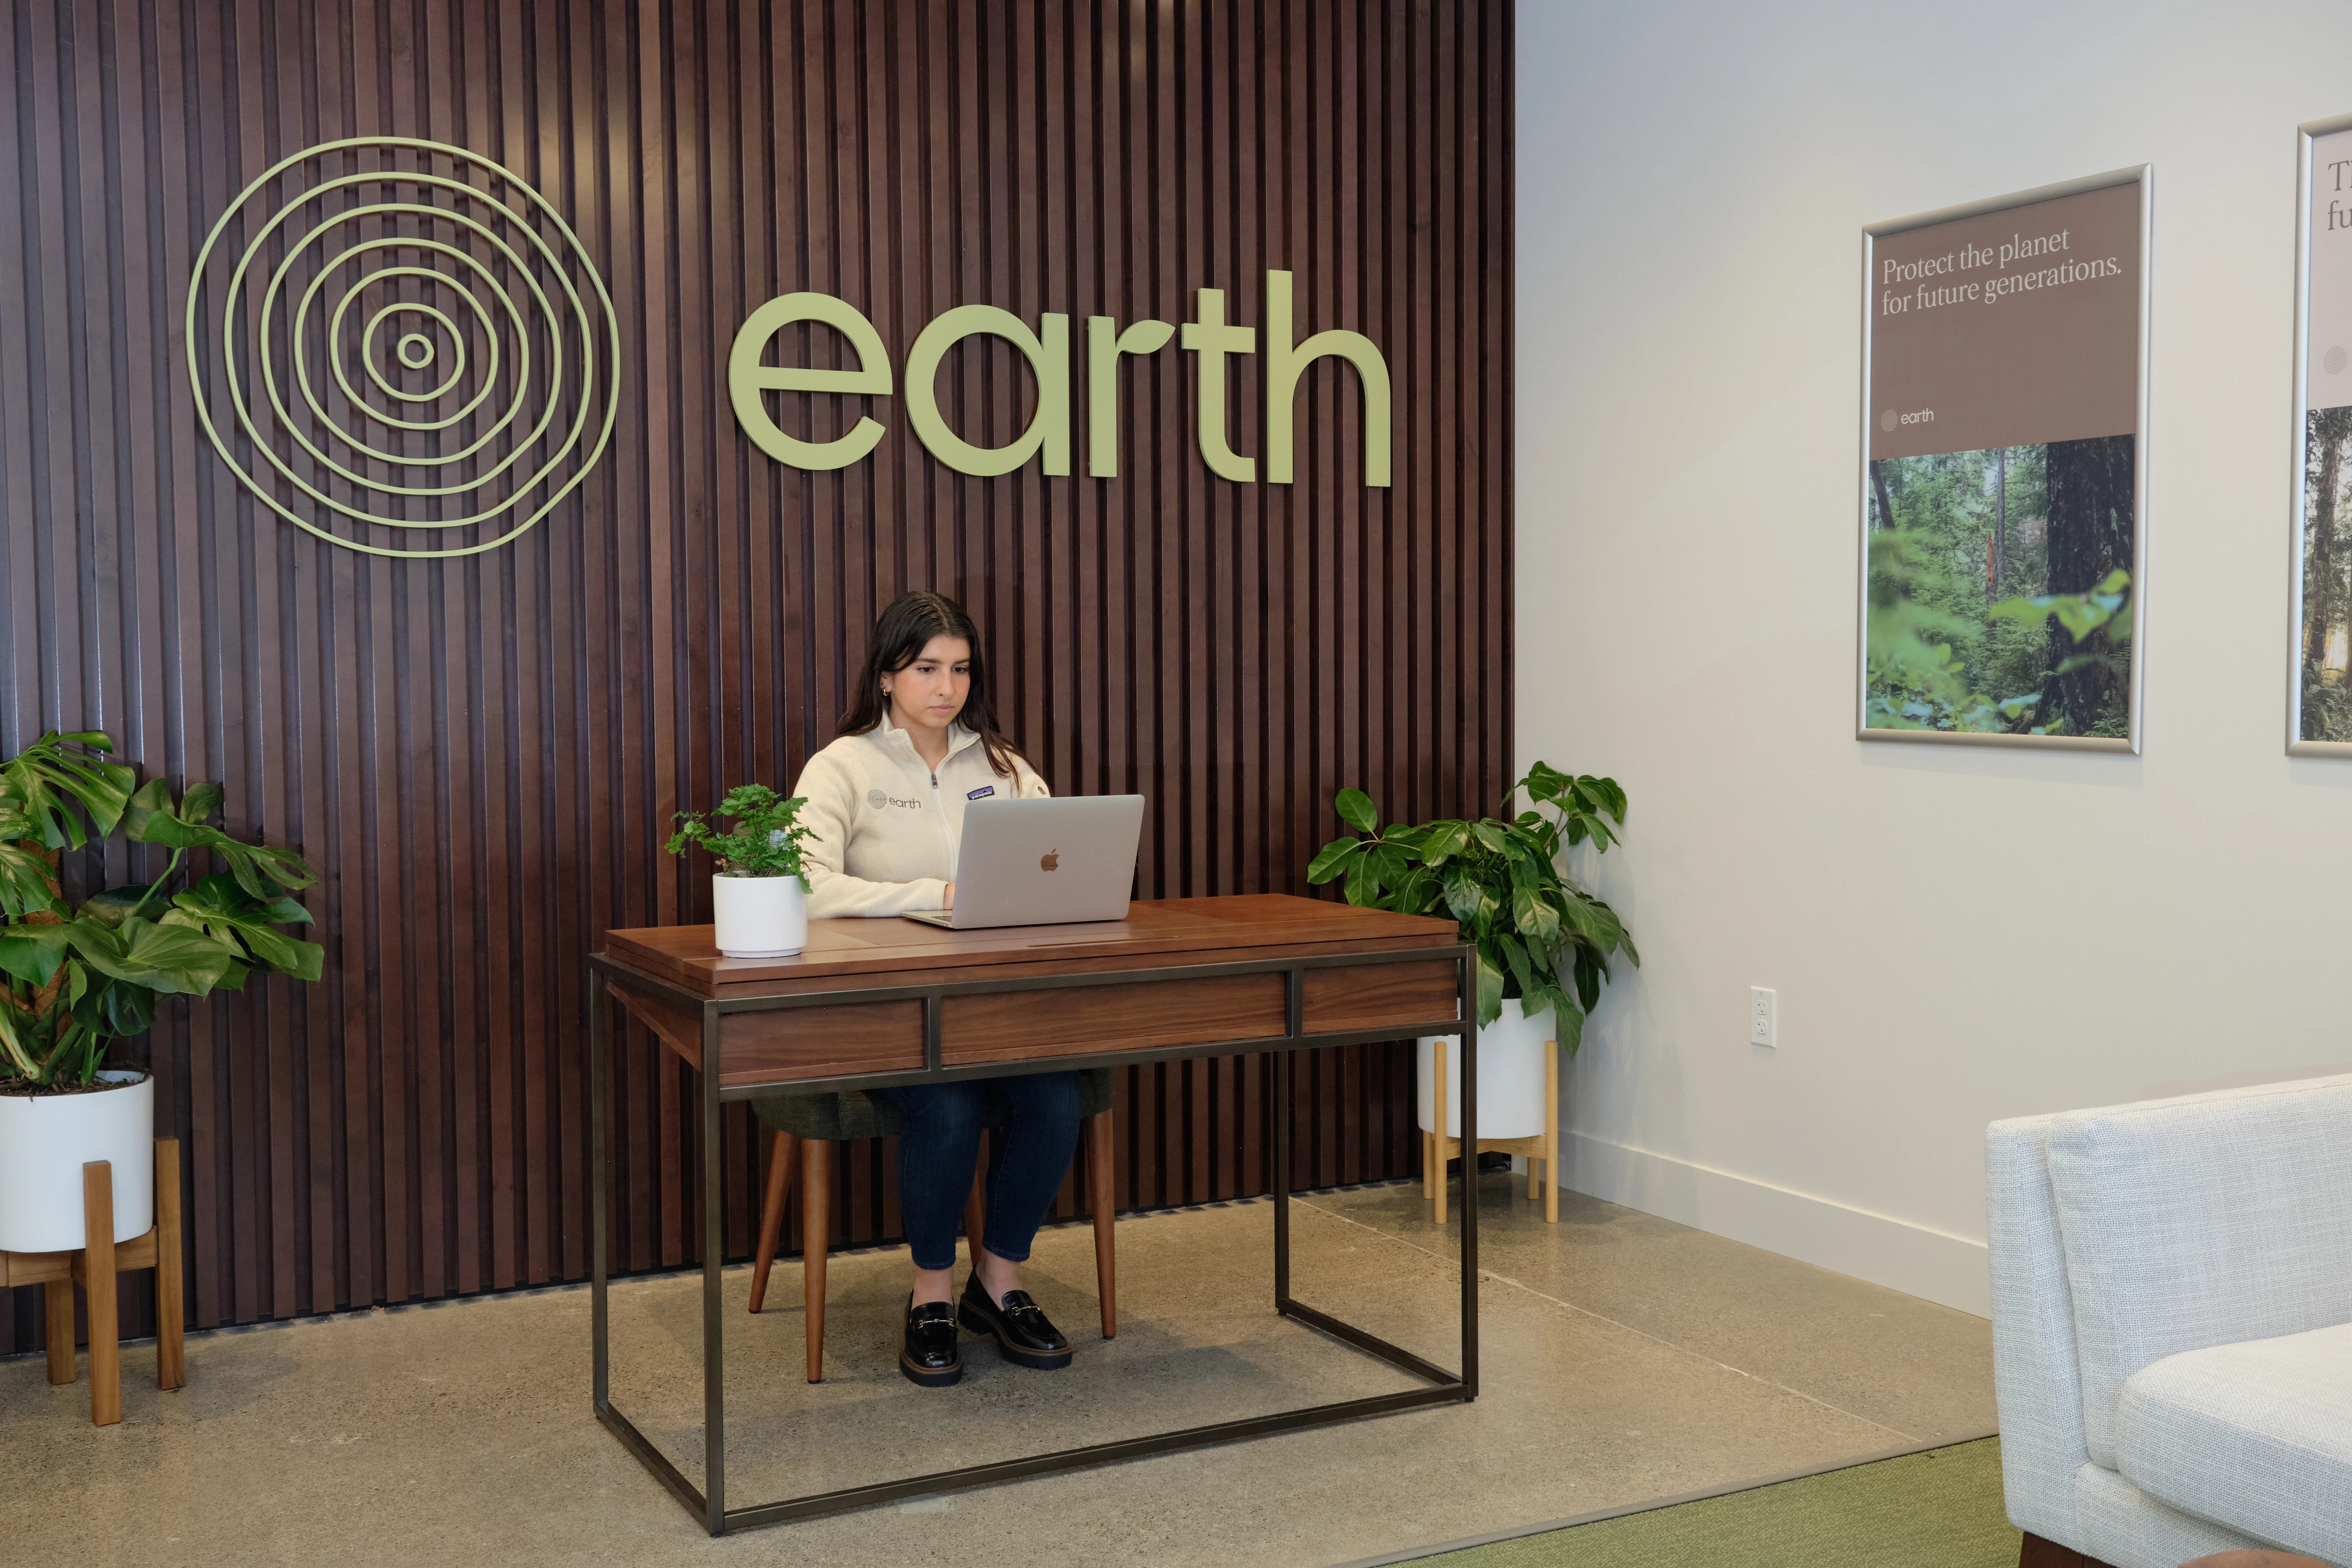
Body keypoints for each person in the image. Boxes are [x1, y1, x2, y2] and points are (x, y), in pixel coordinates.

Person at [790, 590, 1083, 1388]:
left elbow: (1055, 867)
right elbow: (803, 886)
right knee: (948, 1104)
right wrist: (933, 894)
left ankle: (998, 1279)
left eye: (958, 668)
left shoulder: (1004, 766)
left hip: (997, 1008)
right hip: (882, 1011)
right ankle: (929, 1294)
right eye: (926, 668)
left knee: (1055, 1094)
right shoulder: (841, 765)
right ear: (887, 676)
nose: (945, 686)